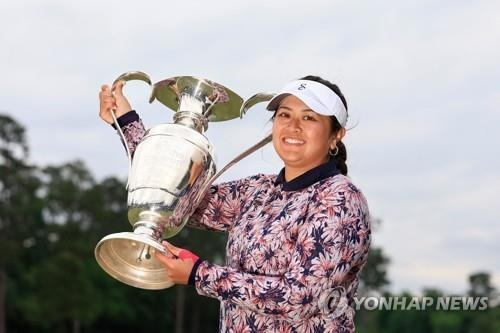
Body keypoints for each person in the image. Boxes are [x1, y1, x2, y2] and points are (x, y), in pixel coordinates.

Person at [99, 75, 371, 332]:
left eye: (309, 117)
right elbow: (179, 196)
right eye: (284, 115)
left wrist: (199, 274)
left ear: (336, 135)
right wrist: (125, 121)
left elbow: (300, 297)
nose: (293, 126)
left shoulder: (340, 199)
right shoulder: (258, 191)